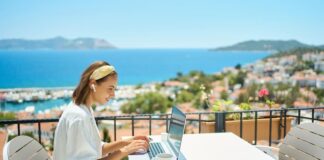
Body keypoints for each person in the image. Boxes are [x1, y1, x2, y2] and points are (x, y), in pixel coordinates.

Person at [53, 61, 149, 160]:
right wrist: (125, 151)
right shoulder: (79, 117)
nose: (113, 95)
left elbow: (96, 150)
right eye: (110, 88)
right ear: (93, 84)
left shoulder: (84, 109)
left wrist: (127, 142)